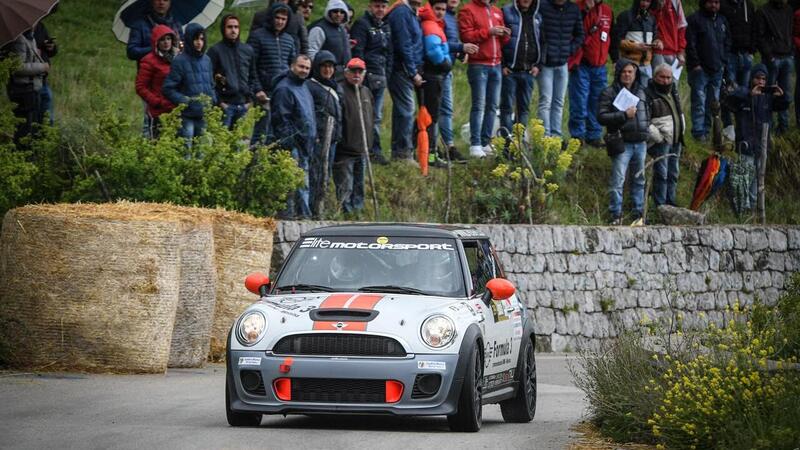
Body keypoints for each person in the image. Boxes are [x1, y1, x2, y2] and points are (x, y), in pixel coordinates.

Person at [724, 64, 789, 212]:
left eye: (764, 79)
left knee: (757, 181)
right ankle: (741, 211)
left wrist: (782, 95)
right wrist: (749, 95)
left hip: (761, 148)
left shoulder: (768, 98)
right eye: (758, 78)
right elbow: (729, 101)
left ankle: (752, 211)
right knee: (743, 181)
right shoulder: (744, 93)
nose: (761, 81)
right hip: (745, 146)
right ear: (752, 78)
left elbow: (784, 105)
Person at [597, 59, 650, 224]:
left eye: (630, 72)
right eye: (624, 72)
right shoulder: (609, 92)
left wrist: (648, 130)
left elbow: (647, 113)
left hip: (640, 143)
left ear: (635, 74)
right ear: (618, 73)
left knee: (639, 179)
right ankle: (615, 215)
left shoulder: (642, 91)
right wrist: (623, 115)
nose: (627, 75)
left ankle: (638, 214)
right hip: (622, 142)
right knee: (618, 180)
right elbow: (601, 117)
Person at [459, 0, 511, 157]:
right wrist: (489, 31)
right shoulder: (467, 9)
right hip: (479, 64)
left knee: (492, 106)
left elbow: (502, 41)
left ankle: (485, 141)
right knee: (479, 105)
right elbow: (466, 35)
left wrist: (505, 34)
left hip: (496, 64)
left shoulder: (496, 10)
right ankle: (475, 144)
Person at [271, 55, 317, 218]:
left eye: (307, 68)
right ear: (292, 66)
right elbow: (280, 120)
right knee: (293, 185)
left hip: (306, 144)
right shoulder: (284, 88)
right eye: (301, 67)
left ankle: (303, 215)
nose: (304, 70)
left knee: (303, 184)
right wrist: (290, 143)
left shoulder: (304, 87)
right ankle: (292, 217)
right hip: (292, 146)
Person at [247, 2, 298, 145]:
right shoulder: (257, 36)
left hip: (282, 93)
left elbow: (292, 67)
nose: (280, 21)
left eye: (284, 19)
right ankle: (253, 166)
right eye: (278, 18)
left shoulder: (289, 40)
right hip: (264, 92)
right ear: (271, 17)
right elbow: (251, 67)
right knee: (261, 132)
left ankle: (271, 166)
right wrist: (257, 89)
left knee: (278, 133)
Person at [350, 0, 393, 165]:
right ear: (370, 7)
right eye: (377, 6)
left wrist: (387, 75)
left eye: (383, 6)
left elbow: (390, 53)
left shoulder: (385, 26)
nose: (380, 9)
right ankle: (365, 150)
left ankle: (374, 150)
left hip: (381, 77)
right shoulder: (362, 24)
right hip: (366, 77)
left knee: (376, 116)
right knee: (364, 115)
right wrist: (362, 76)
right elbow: (358, 52)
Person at [567, 0, 612, 146]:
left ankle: (594, 135)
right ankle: (577, 135)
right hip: (582, 64)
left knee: (597, 101)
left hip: (600, 66)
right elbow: (572, 32)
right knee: (579, 101)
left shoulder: (607, 11)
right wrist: (585, 11)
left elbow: (612, 35)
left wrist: (615, 58)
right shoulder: (575, 8)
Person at [162, 23, 216, 144]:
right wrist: (184, 101)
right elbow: (168, 88)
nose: (199, 42)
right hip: (186, 116)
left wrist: (212, 99)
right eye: (196, 38)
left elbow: (211, 84)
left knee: (202, 152)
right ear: (189, 40)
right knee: (186, 151)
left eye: (202, 39)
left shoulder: (207, 60)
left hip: (204, 115)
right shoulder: (180, 61)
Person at [537, 0, 584, 137]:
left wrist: (569, 50)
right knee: (546, 101)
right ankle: (545, 136)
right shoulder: (541, 6)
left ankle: (556, 136)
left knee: (559, 102)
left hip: (562, 63)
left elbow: (580, 34)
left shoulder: (573, 9)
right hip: (545, 63)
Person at [686, 0, 730, 142]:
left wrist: (723, 61)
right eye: (711, 2)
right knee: (699, 101)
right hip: (700, 69)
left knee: (713, 103)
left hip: (717, 68)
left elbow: (727, 42)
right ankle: (698, 133)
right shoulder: (694, 19)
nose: (714, 5)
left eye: (717, 2)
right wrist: (695, 64)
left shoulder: (722, 20)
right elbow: (689, 43)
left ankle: (707, 131)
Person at [334, 58, 374, 214]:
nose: (356, 74)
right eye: (353, 71)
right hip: (345, 151)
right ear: (346, 73)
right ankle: (345, 215)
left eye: (360, 71)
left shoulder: (366, 92)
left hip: (362, 150)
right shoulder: (340, 91)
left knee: (359, 186)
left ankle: (357, 215)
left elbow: (372, 119)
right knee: (346, 187)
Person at [386, 0, 424, 164]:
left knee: (403, 111)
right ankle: (403, 153)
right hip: (401, 69)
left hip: (407, 68)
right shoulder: (401, 12)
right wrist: (412, 71)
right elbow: (404, 44)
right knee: (406, 111)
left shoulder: (412, 13)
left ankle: (399, 151)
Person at [439, 0, 476, 161]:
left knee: (445, 109)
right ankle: (444, 146)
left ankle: (447, 146)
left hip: (447, 68)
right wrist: (461, 48)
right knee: (438, 110)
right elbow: (438, 42)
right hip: (436, 69)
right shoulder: (439, 15)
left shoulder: (452, 17)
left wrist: (459, 53)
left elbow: (450, 42)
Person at [307, 51, 343, 216]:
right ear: (317, 67)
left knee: (325, 174)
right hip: (318, 139)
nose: (328, 70)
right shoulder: (311, 86)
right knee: (316, 173)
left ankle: (319, 208)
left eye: (331, 67)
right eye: (324, 66)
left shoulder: (333, 87)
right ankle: (313, 208)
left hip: (333, 139)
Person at [207, 15, 258, 129]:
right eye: (230, 27)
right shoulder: (215, 51)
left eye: (236, 27)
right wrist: (219, 102)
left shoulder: (247, 50)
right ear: (223, 29)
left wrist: (249, 99)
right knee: (221, 143)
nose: (233, 30)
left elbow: (253, 75)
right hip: (224, 104)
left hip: (243, 103)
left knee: (239, 143)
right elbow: (209, 79)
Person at [500, 0, 542, 137]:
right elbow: (498, 40)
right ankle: (507, 143)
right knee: (506, 108)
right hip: (510, 71)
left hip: (529, 71)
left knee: (524, 110)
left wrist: (538, 65)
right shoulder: (505, 12)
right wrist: (502, 64)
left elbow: (543, 41)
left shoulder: (537, 16)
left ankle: (518, 143)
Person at [646, 63, 684, 207]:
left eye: (669, 77)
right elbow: (645, 121)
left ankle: (671, 202)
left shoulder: (673, 91)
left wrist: (682, 130)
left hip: (676, 139)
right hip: (661, 141)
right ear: (654, 77)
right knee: (661, 174)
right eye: (662, 77)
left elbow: (679, 113)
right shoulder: (648, 93)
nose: (666, 80)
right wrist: (659, 138)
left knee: (673, 174)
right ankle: (661, 205)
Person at [5, 28, 49, 146]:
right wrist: (42, 67)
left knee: (32, 125)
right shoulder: (20, 40)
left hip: (31, 88)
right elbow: (17, 67)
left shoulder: (30, 37)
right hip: (24, 89)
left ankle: (28, 154)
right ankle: (23, 156)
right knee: (25, 127)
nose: (35, 25)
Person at [755, 0, 794, 133]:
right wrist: (769, 55)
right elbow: (760, 36)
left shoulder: (789, 10)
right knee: (768, 94)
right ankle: (767, 126)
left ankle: (783, 127)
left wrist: (791, 51)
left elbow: (792, 30)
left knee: (786, 95)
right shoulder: (763, 11)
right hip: (772, 58)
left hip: (787, 56)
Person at [135, 24, 178, 139]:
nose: (166, 42)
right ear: (156, 42)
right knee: (157, 143)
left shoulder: (178, 58)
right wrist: (156, 101)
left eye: (168, 39)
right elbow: (140, 86)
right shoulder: (149, 61)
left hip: (176, 108)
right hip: (158, 111)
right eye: (162, 39)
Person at [719, 0, 755, 127]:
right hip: (730, 55)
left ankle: (742, 124)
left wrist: (752, 51)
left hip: (746, 54)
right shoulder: (722, 5)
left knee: (745, 92)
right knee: (728, 90)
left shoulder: (748, 5)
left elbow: (754, 28)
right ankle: (727, 125)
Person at [613, 0, 661, 82]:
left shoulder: (651, 18)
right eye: (643, 0)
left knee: (645, 93)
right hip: (628, 65)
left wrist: (657, 42)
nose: (645, 3)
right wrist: (636, 46)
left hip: (646, 65)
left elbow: (655, 37)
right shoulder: (625, 16)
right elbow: (617, 41)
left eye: (648, 1)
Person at [308, 0, 352, 77]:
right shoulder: (319, 29)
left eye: (342, 12)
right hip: (326, 75)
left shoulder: (343, 29)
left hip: (343, 74)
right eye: (335, 11)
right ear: (329, 12)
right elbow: (311, 53)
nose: (338, 14)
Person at [650, 0, 687, 68]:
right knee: (659, 77)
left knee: (671, 78)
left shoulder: (676, 2)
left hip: (674, 52)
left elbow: (681, 27)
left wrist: (681, 51)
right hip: (657, 50)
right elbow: (650, 23)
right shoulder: (651, 2)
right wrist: (658, 10)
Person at [33, 19, 57, 125]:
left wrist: (51, 47)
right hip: (29, 82)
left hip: (42, 79)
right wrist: (42, 67)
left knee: (48, 117)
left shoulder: (40, 26)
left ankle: (47, 138)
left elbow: (49, 51)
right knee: (34, 118)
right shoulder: (20, 32)